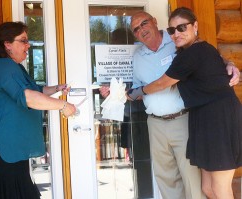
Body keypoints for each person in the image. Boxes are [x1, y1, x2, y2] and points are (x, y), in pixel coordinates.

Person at [100, 10, 240, 199]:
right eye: (135, 29)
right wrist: (116, 92)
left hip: (187, 119)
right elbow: (139, 89)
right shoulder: (139, 56)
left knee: (194, 180)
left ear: (154, 21)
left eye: (144, 23)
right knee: (168, 179)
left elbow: (207, 57)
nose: (141, 29)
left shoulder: (179, 45)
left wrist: (230, 62)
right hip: (157, 123)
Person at [0, 22, 76, 199]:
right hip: (2, 147)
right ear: (7, 44)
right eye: (23, 41)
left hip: (10, 146)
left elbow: (35, 90)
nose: (28, 45)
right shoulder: (3, 67)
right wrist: (63, 106)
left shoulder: (13, 67)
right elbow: (27, 97)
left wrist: (58, 88)